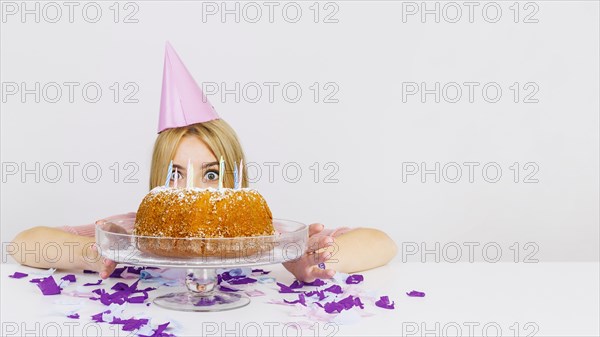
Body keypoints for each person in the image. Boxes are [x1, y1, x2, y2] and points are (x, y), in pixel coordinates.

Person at [9, 43, 397, 282]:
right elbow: (25, 244)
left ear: (235, 177)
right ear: (156, 183)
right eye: (175, 173)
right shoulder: (136, 230)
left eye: (210, 174)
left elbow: (381, 243)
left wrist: (312, 258)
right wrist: (94, 253)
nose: (191, 188)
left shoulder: (262, 235)